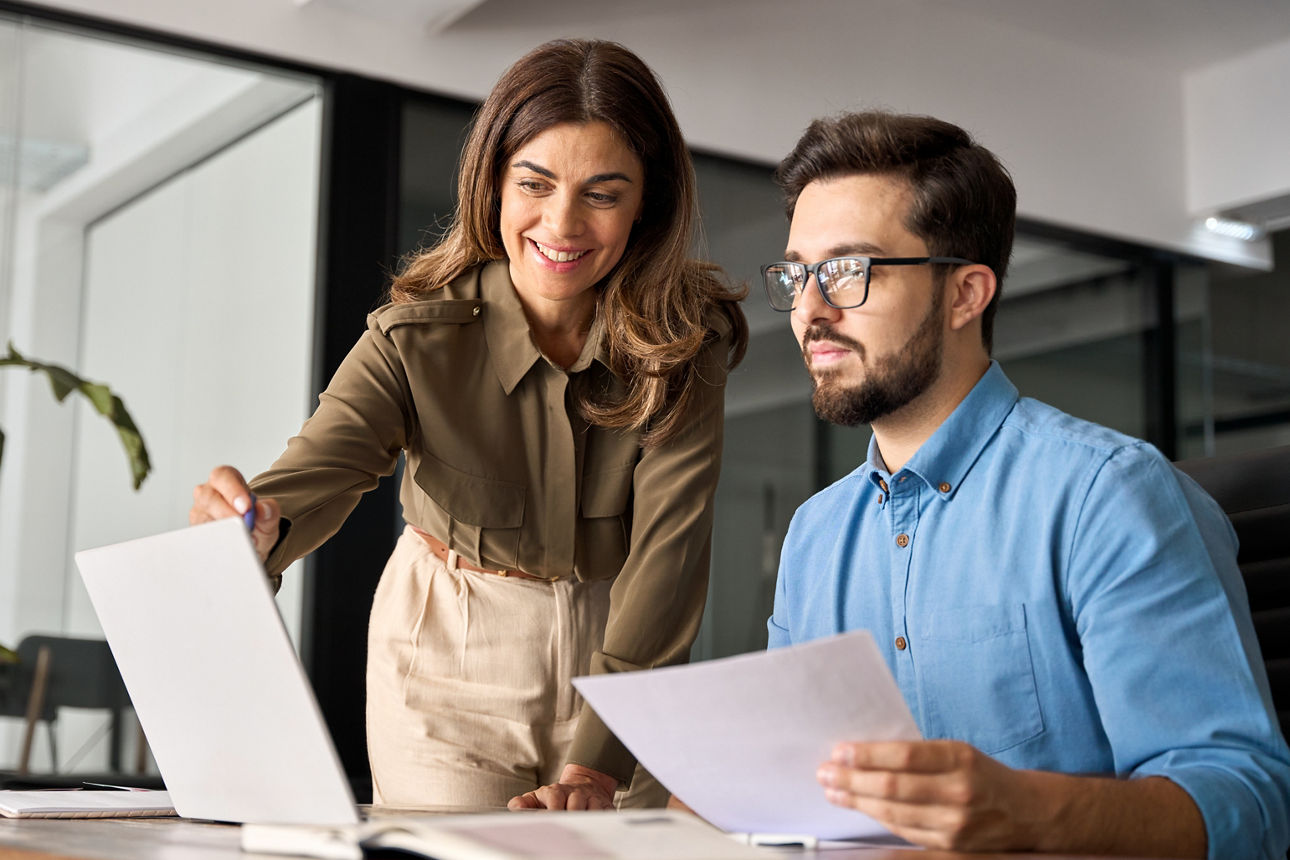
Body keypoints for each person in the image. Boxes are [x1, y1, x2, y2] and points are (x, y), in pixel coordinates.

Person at [189, 39, 747, 812]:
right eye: (535, 183)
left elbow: (669, 558)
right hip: (449, 657)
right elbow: (317, 472)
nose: (562, 223)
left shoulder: (686, 342)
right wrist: (251, 527)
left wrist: (597, 764)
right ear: (493, 184)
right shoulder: (415, 338)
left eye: (602, 193)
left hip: (627, 654)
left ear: (646, 203)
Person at [762, 111, 1290, 858]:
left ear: (965, 295)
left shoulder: (1109, 495)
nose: (810, 310)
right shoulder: (813, 537)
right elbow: (789, 782)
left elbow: (1248, 801)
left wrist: (1033, 816)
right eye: (797, 275)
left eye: (849, 271)